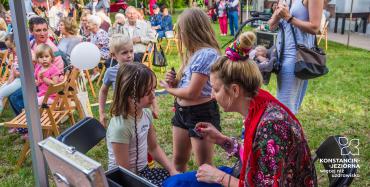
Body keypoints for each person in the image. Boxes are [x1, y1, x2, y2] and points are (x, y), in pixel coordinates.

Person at [163, 32, 317, 187]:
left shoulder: (270, 127)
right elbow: (254, 157)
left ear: (235, 90)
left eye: (215, 89)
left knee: (174, 185)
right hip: (244, 174)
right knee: (175, 182)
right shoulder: (259, 106)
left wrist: (220, 177)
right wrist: (222, 140)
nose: (212, 96)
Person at [159, 8, 221, 172]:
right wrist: (174, 83)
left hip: (201, 114)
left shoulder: (206, 54)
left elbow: (192, 93)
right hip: (181, 113)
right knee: (178, 160)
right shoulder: (193, 54)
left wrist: (168, 89)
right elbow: (186, 86)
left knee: (204, 166)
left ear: (192, 31)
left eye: (181, 32)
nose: (180, 37)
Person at [106, 63, 178, 186]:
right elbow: (125, 173)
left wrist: (172, 170)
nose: (153, 95)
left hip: (143, 172)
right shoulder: (120, 128)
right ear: (130, 96)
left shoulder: (146, 114)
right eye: (147, 92)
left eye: (153, 89)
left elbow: (153, 148)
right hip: (124, 179)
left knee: (179, 181)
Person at [268, 0, 324, 114]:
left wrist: (289, 17)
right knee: (287, 107)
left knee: (285, 109)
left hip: (296, 57)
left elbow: (315, 28)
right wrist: (277, 14)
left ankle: (287, 131)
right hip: (282, 55)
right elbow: (271, 26)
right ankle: (291, 130)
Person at [8, 17, 64, 116]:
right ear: (31, 31)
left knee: (15, 97)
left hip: (49, 86)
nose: (43, 33)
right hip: (37, 80)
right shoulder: (33, 43)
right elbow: (20, 57)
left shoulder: (50, 48)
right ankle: (24, 124)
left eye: (45, 29)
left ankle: (28, 126)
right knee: (11, 94)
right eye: (38, 30)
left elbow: (56, 75)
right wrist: (14, 71)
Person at [99, 34, 133, 127]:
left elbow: (149, 90)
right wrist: (101, 112)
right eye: (124, 53)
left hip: (138, 111)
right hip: (120, 112)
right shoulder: (111, 72)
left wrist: (154, 106)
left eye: (131, 51)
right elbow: (103, 91)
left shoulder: (139, 69)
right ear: (114, 55)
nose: (129, 55)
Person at [0, 34, 20, 114]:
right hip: (16, 79)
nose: (8, 51)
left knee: (0, 95)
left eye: (11, 48)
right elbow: (13, 70)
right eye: (7, 48)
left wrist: (14, 73)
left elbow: (22, 74)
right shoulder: (16, 56)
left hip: (20, 81)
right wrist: (11, 77)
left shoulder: (21, 56)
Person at [87, 14, 110, 80]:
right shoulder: (92, 33)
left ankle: (95, 72)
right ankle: (87, 74)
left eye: (89, 23)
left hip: (105, 53)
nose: (87, 24)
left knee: (88, 54)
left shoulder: (101, 33)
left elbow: (98, 47)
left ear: (95, 25)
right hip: (97, 52)